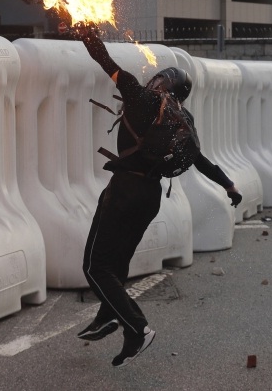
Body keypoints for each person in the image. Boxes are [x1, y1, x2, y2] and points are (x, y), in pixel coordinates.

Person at [72, 24, 242, 367]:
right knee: (117, 263)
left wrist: (83, 29)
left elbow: (103, 59)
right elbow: (200, 159)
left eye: (159, 78)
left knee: (95, 266)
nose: (153, 80)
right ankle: (108, 316)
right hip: (148, 197)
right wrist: (229, 185)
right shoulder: (181, 120)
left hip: (123, 192)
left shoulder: (140, 97)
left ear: (163, 83)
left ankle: (137, 328)